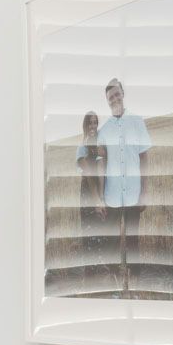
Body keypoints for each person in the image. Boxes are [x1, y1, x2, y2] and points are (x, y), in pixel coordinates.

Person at [95, 79, 150, 293]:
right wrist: (99, 198)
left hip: (134, 194)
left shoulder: (137, 121)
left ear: (123, 94)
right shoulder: (104, 130)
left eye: (117, 94)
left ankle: (135, 287)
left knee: (134, 241)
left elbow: (144, 157)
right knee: (111, 244)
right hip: (112, 196)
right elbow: (101, 166)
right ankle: (115, 286)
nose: (115, 99)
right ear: (107, 102)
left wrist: (145, 192)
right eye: (111, 97)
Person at [74, 111, 107, 276]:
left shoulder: (99, 146)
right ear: (85, 126)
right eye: (90, 123)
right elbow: (89, 177)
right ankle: (90, 274)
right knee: (90, 232)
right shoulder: (82, 148)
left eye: (95, 122)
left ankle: (100, 271)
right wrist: (97, 202)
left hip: (99, 193)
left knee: (101, 231)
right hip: (88, 193)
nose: (93, 126)